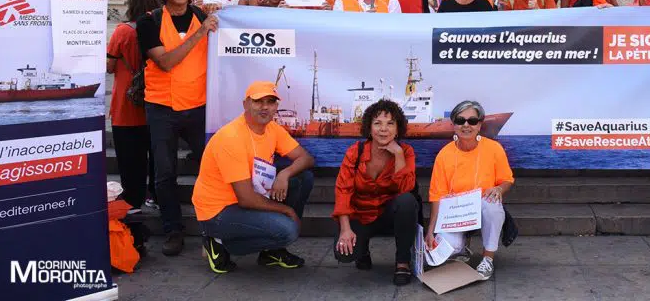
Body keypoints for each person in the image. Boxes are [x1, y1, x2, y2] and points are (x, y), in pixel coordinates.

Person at [137, 0, 219, 256]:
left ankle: (215, 226)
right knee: (165, 172)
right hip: (163, 107)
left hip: (198, 106)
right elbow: (166, 62)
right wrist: (200, 33)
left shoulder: (202, 16)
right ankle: (173, 230)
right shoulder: (149, 22)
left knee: (213, 166)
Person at [193, 81, 315, 273]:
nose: (265, 107)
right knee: (288, 230)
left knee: (302, 179)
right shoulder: (231, 137)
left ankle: (271, 252)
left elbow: (306, 158)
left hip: (251, 195)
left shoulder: (272, 128)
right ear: (246, 104)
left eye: (270, 101)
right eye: (258, 101)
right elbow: (246, 199)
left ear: (276, 106)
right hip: (219, 211)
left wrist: (284, 174)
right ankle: (218, 242)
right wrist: (287, 210)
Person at [333, 100, 418, 286]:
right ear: (369, 128)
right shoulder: (355, 151)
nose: (383, 129)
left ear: (398, 129)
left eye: (390, 123)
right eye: (377, 123)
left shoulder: (406, 151)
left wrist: (398, 155)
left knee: (406, 201)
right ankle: (362, 250)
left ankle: (403, 262)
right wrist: (345, 230)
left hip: (389, 215)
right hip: (360, 215)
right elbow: (343, 190)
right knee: (344, 254)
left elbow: (405, 188)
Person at [427, 101, 514, 281]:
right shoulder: (444, 154)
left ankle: (488, 258)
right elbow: (436, 195)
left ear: (480, 125)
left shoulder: (494, 148)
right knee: (446, 249)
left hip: (483, 207)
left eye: (472, 121)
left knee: (492, 204)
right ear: (454, 124)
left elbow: (507, 179)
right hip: (455, 213)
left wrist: (499, 188)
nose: (466, 125)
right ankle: (461, 248)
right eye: (460, 120)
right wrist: (431, 230)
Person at [107, 0, 161, 214]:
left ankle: (133, 202)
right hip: (155, 103)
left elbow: (109, 66)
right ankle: (156, 196)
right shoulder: (159, 30)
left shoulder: (123, 31)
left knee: (130, 161)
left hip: (126, 106)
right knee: (157, 157)